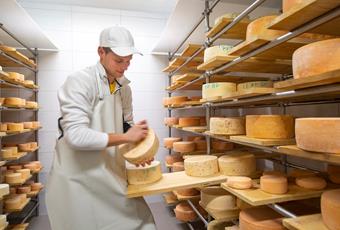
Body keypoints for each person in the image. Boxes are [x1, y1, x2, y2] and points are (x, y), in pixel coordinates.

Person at [46, 26, 156, 230]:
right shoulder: (80, 81)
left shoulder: (124, 88)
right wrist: (127, 138)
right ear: (101, 52)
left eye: (129, 61)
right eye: (119, 60)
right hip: (78, 180)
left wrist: (138, 149)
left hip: (110, 174)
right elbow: (76, 136)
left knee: (144, 224)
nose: (124, 67)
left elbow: (126, 127)